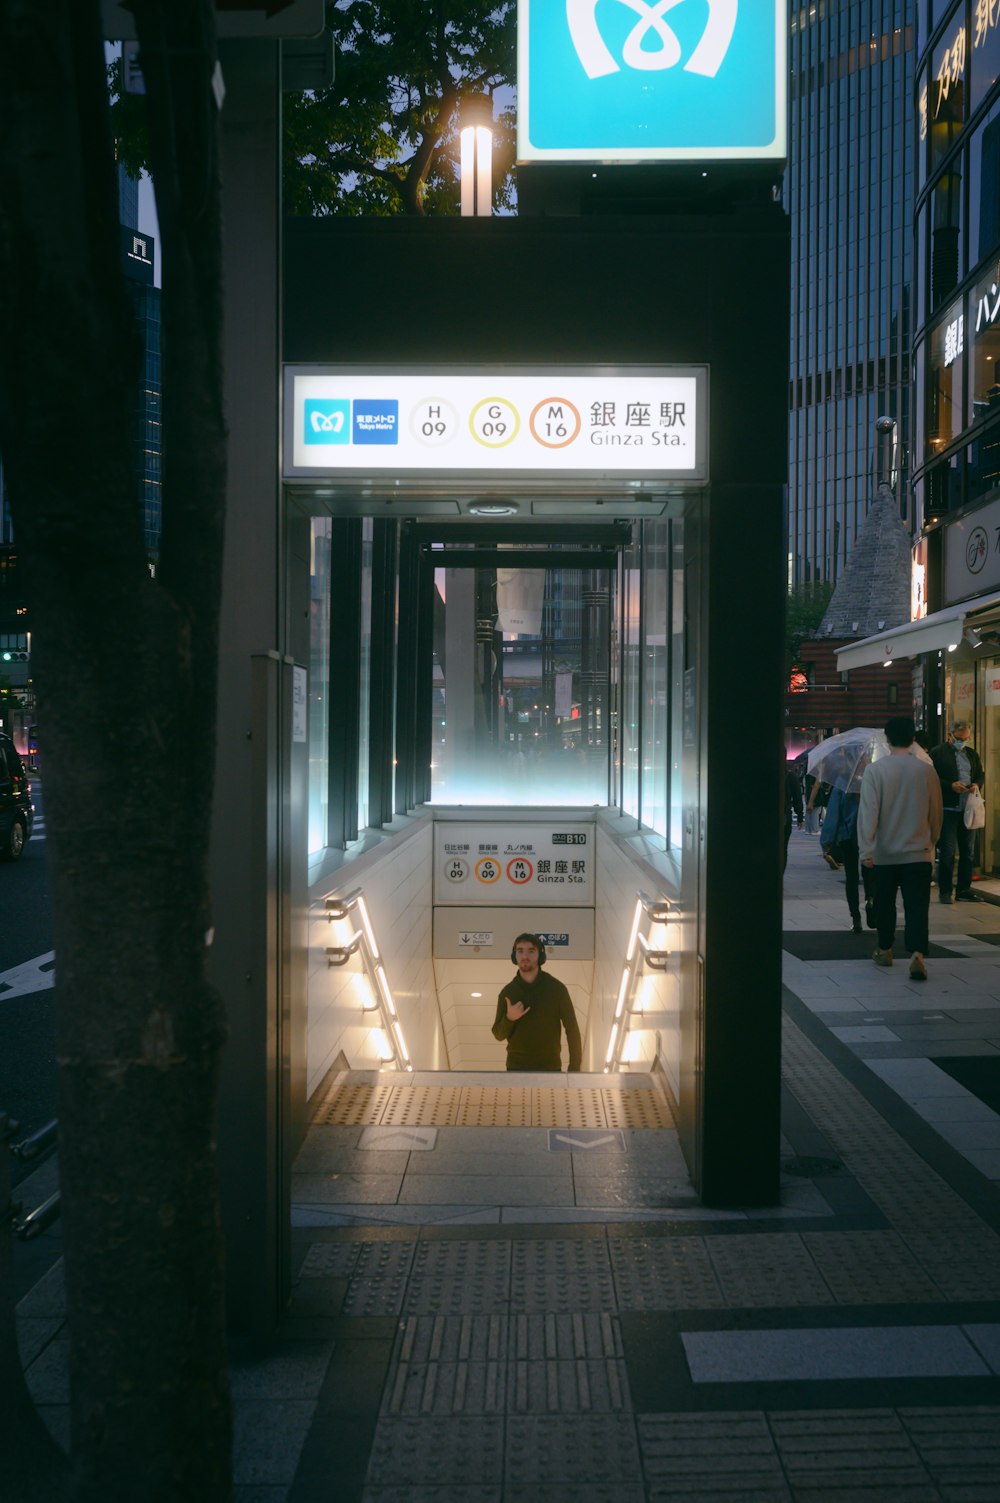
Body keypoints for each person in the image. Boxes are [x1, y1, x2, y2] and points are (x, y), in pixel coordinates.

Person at [858, 715, 943, 980]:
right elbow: (936, 813)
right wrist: (932, 842)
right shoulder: (926, 771)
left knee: (885, 903)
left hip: (885, 853)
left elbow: (869, 814)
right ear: (913, 739)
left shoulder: (876, 771)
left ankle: (885, 949)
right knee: (917, 905)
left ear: (887, 738)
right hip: (918, 851)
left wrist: (866, 849)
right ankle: (917, 953)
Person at [492, 933, 582, 1072]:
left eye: (531, 951)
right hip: (515, 1069)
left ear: (540, 956)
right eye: (520, 951)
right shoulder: (507, 993)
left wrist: (574, 1069)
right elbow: (498, 1034)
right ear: (514, 956)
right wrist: (510, 1018)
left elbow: (572, 1029)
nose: (525, 956)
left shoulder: (557, 989)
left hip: (550, 1068)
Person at [930, 719, 984, 903]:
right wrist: (950, 786)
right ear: (950, 735)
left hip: (967, 807)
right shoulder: (938, 753)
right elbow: (932, 778)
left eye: (966, 738)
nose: (963, 742)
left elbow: (980, 774)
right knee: (948, 851)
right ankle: (945, 891)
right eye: (959, 738)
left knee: (968, 851)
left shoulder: (972, 754)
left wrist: (976, 784)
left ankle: (963, 889)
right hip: (948, 809)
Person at [784, 758, 804, 872]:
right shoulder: (791, 776)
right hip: (785, 816)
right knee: (783, 849)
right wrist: (800, 816)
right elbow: (797, 798)